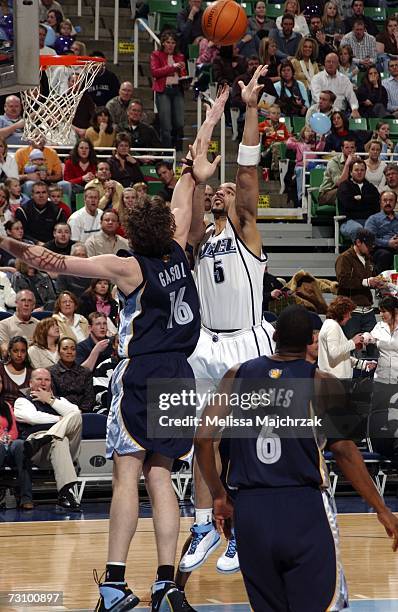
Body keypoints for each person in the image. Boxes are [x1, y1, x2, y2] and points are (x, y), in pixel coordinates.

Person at [0, 92, 231, 611]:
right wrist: (211, 119)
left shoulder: (128, 267)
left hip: (144, 372)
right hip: (180, 376)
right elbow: (191, 176)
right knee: (162, 475)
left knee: (128, 474)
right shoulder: (179, 248)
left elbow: (55, 263)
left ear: (129, 233)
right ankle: (168, 581)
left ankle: (114, 583)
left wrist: (13, 247)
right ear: (166, 226)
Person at [194, 305, 398, 611]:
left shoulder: (238, 375)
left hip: (251, 510)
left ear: (274, 336)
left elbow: (202, 438)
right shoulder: (323, 382)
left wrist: (219, 496)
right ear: (311, 340)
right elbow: (344, 451)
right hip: (304, 508)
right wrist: (382, 510)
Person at [177, 70, 275, 592]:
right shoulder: (199, 238)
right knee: (203, 438)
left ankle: (241, 530)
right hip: (206, 343)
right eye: (220, 188)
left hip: (247, 340)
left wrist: (250, 110)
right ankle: (202, 525)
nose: (225, 191)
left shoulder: (248, 230)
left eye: (230, 189)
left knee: (248, 440)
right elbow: (188, 206)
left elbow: (251, 179)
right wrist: (196, 173)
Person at [13, 367, 82, 512]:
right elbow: (31, 418)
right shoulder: (22, 401)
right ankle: (65, 494)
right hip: (38, 451)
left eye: (47, 380)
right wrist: (60, 419)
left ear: (51, 383)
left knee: (76, 416)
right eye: (39, 379)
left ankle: (48, 437)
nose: (43, 383)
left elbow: (75, 415)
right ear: (30, 383)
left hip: (67, 450)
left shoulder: (60, 400)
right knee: (60, 440)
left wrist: (50, 401)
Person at [335, 228, 385, 342]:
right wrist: (366, 282)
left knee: (373, 345)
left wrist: (377, 283)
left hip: (367, 309)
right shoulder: (344, 258)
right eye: (368, 246)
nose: (371, 248)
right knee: (352, 346)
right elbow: (343, 281)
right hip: (350, 311)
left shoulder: (368, 258)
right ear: (358, 242)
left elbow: (371, 277)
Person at [0, 373, 33, 510]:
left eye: (0, 382)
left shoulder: (6, 405)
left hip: (9, 444)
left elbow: (13, 429)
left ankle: (26, 498)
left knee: (20, 444)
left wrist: (9, 438)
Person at [150, 31, 186, 150]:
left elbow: (183, 74)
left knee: (180, 122)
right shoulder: (156, 55)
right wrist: (173, 67)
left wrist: (184, 74)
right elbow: (155, 72)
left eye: (173, 43)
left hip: (177, 90)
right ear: (163, 43)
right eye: (168, 42)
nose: (170, 45)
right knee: (166, 125)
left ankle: (178, 149)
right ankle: (167, 152)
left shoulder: (180, 56)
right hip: (163, 90)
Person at [318, 296, 368, 377]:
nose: (350, 317)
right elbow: (334, 353)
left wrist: (361, 364)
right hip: (335, 380)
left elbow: (339, 356)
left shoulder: (330, 324)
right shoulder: (332, 326)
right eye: (349, 313)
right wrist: (353, 342)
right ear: (343, 313)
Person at [337, 157, 380, 242]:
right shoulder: (344, 187)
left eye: (362, 170)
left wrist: (360, 199)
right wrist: (366, 202)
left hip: (368, 220)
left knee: (376, 230)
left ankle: (371, 254)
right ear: (351, 172)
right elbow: (348, 205)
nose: (359, 172)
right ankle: (359, 254)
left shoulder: (371, 187)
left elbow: (376, 205)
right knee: (358, 230)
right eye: (356, 170)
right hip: (349, 221)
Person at [50, 337, 96, 413]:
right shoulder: (51, 372)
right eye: (65, 349)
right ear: (58, 352)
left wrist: (80, 412)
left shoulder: (85, 372)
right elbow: (53, 397)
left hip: (84, 413)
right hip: (60, 413)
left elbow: (89, 397)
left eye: (73, 349)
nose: (69, 352)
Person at [310, 52, 360, 117]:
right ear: (324, 63)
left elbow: (351, 96)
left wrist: (354, 108)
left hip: (340, 113)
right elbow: (317, 97)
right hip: (322, 111)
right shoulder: (317, 78)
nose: (331, 64)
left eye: (333, 62)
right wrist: (330, 108)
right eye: (328, 61)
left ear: (338, 64)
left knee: (355, 120)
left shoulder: (344, 79)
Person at [365, 191, 398, 273]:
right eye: (385, 200)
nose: (388, 203)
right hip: (379, 249)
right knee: (385, 255)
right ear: (380, 202)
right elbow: (369, 239)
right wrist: (388, 243)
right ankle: (381, 282)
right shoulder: (373, 219)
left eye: (391, 200)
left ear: (395, 203)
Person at [319, 137, 357, 205]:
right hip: (327, 194)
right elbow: (339, 183)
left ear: (355, 149)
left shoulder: (357, 162)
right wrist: (347, 164)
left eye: (352, 147)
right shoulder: (333, 162)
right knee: (345, 191)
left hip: (347, 191)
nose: (350, 150)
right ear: (342, 149)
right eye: (347, 148)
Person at [0, 336, 32, 405]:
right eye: (15, 351)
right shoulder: (1, 369)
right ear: (9, 352)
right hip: (5, 410)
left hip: (26, 411)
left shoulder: (31, 372)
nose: (19, 355)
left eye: (23, 351)